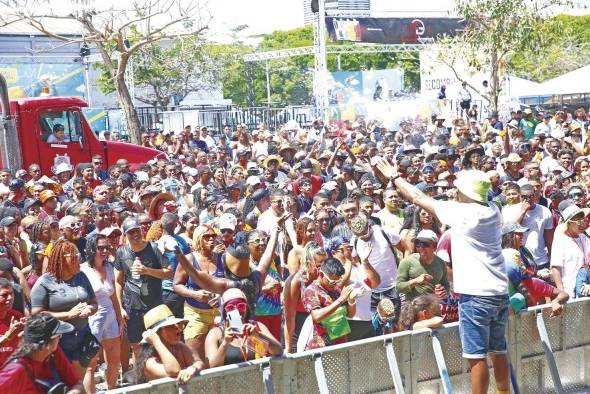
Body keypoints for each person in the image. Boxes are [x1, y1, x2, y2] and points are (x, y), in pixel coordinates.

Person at [376, 160, 510, 394]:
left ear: (466, 193)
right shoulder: (492, 209)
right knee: (498, 350)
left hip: (476, 295)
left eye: (458, 190)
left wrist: (394, 177)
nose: (455, 193)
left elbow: (417, 197)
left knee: (476, 355)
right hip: (499, 292)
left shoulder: (464, 213)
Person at [30, 239, 98, 387]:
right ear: (62, 260)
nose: (79, 261)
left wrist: (90, 309)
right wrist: (68, 315)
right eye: (74, 258)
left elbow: (94, 302)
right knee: (63, 383)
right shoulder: (44, 282)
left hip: (81, 337)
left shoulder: (81, 276)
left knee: (77, 382)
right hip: (58, 343)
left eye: (79, 257)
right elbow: (35, 315)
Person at [114, 217, 171, 364]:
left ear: (141, 230)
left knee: (159, 344)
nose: (135, 235)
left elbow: (168, 272)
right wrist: (120, 307)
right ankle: (140, 379)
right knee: (136, 346)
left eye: (137, 231)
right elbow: (118, 281)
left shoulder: (153, 248)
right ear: (125, 234)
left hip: (155, 305)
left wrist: (147, 271)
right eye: (131, 232)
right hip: (133, 307)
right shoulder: (121, 253)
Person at [80, 234, 124, 390]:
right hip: (93, 318)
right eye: (101, 247)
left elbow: (113, 296)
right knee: (90, 364)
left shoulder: (109, 267)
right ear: (92, 248)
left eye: (107, 247)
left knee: (114, 361)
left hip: (110, 316)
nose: (105, 250)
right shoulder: (83, 270)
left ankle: (111, 389)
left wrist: (120, 319)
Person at [0, 313, 83, 393]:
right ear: (46, 343)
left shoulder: (54, 354)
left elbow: (76, 383)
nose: (59, 339)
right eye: (59, 335)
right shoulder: (16, 370)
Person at [205, 288, 282, 367]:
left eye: (241, 306)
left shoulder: (257, 326)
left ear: (247, 308)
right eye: (230, 307)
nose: (237, 310)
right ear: (224, 312)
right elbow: (211, 367)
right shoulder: (216, 333)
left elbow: (278, 351)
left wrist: (258, 336)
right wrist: (225, 343)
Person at [301, 257, 363, 350]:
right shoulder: (311, 291)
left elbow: (350, 315)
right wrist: (340, 300)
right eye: (333, 281)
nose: (335, 284)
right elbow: (316, 317)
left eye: (338, 281)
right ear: (321, 274)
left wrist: (351, 300)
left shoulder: (336, 289)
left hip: (340, 342)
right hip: (322, 347)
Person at [135, 304, 204, 384]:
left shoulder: (180, 346)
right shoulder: (150, 362)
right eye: (171, 325)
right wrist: (157, 342)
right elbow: (175, 371)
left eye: (178, 324)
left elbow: (199, 362)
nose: (177, 327)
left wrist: (193, 367)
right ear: (157, 333)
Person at [396, 229, 450, 301]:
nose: (421, 248)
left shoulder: (441, 263)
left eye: (425, 244)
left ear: (434, 246)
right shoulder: (407, 261)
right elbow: (398, 287)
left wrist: (443, 291)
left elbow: (446, 285)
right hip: (412, 307)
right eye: (417, 244)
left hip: (432, 307)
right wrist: (415, 281)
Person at [551, 204, 590, 298]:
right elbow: (555, 268)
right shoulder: (560, 240)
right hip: (569, 291)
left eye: (583, 220)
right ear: (568, 223)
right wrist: (561, 292)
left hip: (586, 289)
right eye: (578, 222)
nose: (582, 224)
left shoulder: (585, 238)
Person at [0, 278, 25, 366]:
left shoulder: (17, 316)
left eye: (11, 293)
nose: (10, 298)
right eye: (4, 295)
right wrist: (7, 337)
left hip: (13, 368)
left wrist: (23, 337)